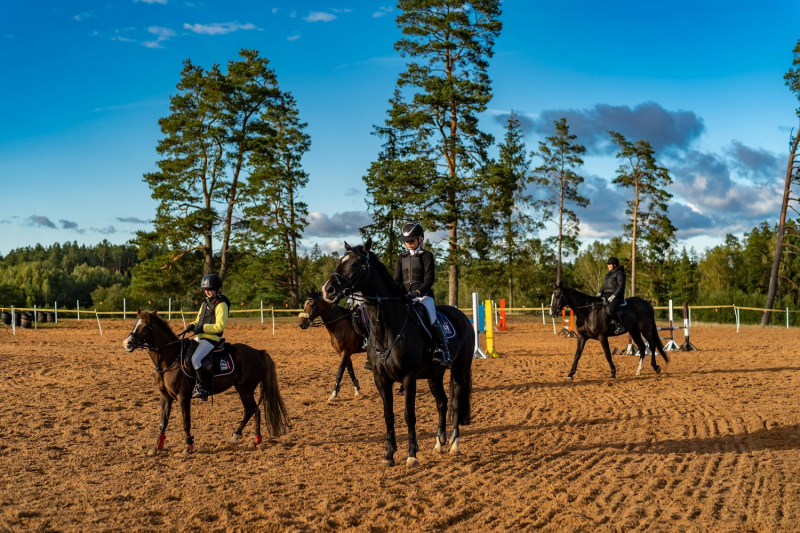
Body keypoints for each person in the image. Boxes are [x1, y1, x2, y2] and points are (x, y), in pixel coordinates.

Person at [393, 222, 452, 368]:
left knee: (432, 318)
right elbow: (397, 280)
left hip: (423, 296)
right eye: (406, 241)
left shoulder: (426, 256)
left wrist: (417, 293)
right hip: (406, 297)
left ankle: (443, 351)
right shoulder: (402, 257)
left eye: (412, 240)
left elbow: (429, 279)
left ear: (420, 239)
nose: (409, 243)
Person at [181, 273, 230, 400]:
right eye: (205, 290)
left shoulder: (221, 304)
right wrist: (192, 325)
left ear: (217, 289)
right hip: (200, 337)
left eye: (210, 289)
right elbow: (198, 320)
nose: (207, 292)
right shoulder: (205, 303)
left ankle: (204, 388)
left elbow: (220, 326)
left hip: (211, 339)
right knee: (185, 352)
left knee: (196, 358)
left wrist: (202, 328)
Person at [597, 257, 626, 335]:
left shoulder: (620, 273)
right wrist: (600, 292)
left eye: (609, 264)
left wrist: (614, 296)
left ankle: (620, 325)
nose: (608, 266)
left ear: (614, 265)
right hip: (606, 296)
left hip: (617, 297)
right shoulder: (608, 274)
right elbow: (604, 286)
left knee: (610, 309)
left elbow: (621, 287)